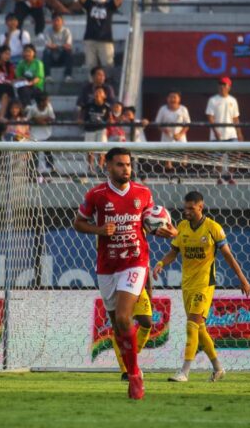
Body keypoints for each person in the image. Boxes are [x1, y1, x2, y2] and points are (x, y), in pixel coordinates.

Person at [73, 146, 177, 399]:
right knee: (117, 327)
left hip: (135, 261)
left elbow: (154, 220)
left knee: (122, 318)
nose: (126, 169)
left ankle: (134, 376)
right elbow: (78, 222)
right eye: (120, 164)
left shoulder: (143, 192)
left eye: (128, 164)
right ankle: (132, 371)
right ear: (107, 165)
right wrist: (99, 230)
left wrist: (170, 232)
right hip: (107, 266)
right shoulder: (96, 194)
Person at [153, 191, 250, 382]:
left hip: (205, 283)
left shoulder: (213, 228)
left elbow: (228, 256)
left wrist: (242, 278)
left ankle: (184, 372)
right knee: (200, 328)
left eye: (191, 208)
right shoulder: (181, 227)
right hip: (187, 284)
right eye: (185, 208)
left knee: (191, 325)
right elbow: (173, 252)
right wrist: (161, 263)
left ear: (201, 207)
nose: (187, 211)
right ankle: (218, 368)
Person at [77, 0, 126, 71]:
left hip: (105, 39)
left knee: (108, 66)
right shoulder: (90, 4)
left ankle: (107, 86)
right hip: (90, 38)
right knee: (90, 67)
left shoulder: (109, 6)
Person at [205, 77, 242, 184]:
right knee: (218, 159)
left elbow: (235, 118)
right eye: (220, 84)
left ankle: (230, 176)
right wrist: (216, 132)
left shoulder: (233, 100)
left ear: (229, 87)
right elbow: (210, 117)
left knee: (236, 155)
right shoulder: (213, 100)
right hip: (217, 135)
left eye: (224, 85)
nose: (222, 87)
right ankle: (220, 177)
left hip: (231, 134)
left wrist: (239, 133)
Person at [82, 85, 110, 172]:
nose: (98, 94)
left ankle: (100, 166)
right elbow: (82, 116)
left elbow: (109, 119)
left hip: (101, 129)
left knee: (102, 147)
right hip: (90, 129)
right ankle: (90, 167)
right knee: (90, 149)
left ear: (104, 95)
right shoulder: (88, 105)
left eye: (100, 92)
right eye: (96, 92)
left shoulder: (107, 107)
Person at [29, 92, 56, 172]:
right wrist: (36, 120)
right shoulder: (33, 108)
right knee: (34, 153)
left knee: (48, 151)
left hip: (46, 133)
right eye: (46, 100)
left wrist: (42, 120)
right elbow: (28, 119)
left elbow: (52, 118)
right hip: (34, 134)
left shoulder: (49, 107)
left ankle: (51, 168)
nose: (48, 102)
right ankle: (34, 169)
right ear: (41, 102)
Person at [43, 13, 73, 82]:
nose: (56, 23)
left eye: (58, 20)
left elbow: (68, 46)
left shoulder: (66, 31)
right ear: (52, 22)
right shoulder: (47, 30)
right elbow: (48, 45)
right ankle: (47, 76)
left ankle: (68, 76)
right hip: (51, 56)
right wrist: (62, 46)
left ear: (62, 22)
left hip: (62, 56)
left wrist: (55, 46)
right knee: (46, 51)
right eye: (54, 21)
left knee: (69, 52)